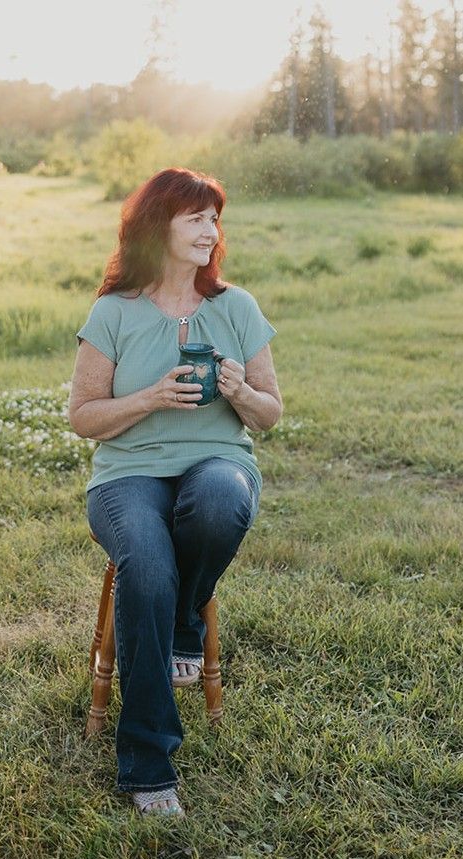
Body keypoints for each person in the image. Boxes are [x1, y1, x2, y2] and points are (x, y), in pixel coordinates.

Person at [69, 167, 282, 817]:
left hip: (217, 459)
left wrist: (240, 391)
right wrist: (150, 397)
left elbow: (270, 413)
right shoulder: (113, 312)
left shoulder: (235, 307)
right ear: (156, 225)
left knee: (218, 502)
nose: (209, 229)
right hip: (126, 475)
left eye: (214, 218)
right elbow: (83, 416)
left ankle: (183, 630)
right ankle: (145, 764)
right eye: (196, 217)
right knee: (147, 564)